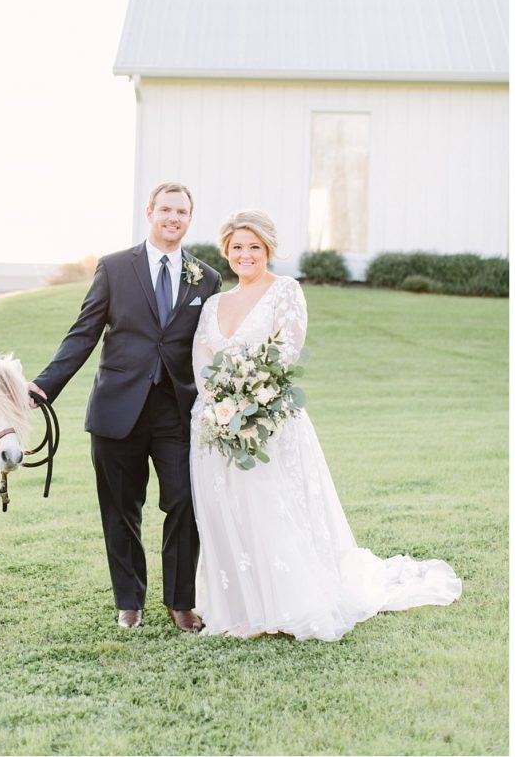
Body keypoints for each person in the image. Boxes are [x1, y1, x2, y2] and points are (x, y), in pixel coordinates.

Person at [190, 209, 462, 640]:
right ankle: (241, 607)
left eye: (254, 247)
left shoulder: (285, 290)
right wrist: (218, 404)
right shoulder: (214, 304)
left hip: (269, 419)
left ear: (268, 250)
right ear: (226, 250)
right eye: (237, 247)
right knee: (230, 510)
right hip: (216, 425)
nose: (245, 255)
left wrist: (248, 398)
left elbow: (287, 352)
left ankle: (285, 605)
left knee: (273, 505)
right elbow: (202, 359)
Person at [29, 182, 222, 631]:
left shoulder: (207, 278)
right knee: (120, 509)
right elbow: (84, 333)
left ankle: (181, 603)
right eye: (167, 210)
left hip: (177, 412)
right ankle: (129, 601)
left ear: (190, 219)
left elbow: (211, 346)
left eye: (183, 212)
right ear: (150, 212)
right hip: (118, 412)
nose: (174, 218)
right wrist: (44, 387)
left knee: (184, 502)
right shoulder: (115, 268)